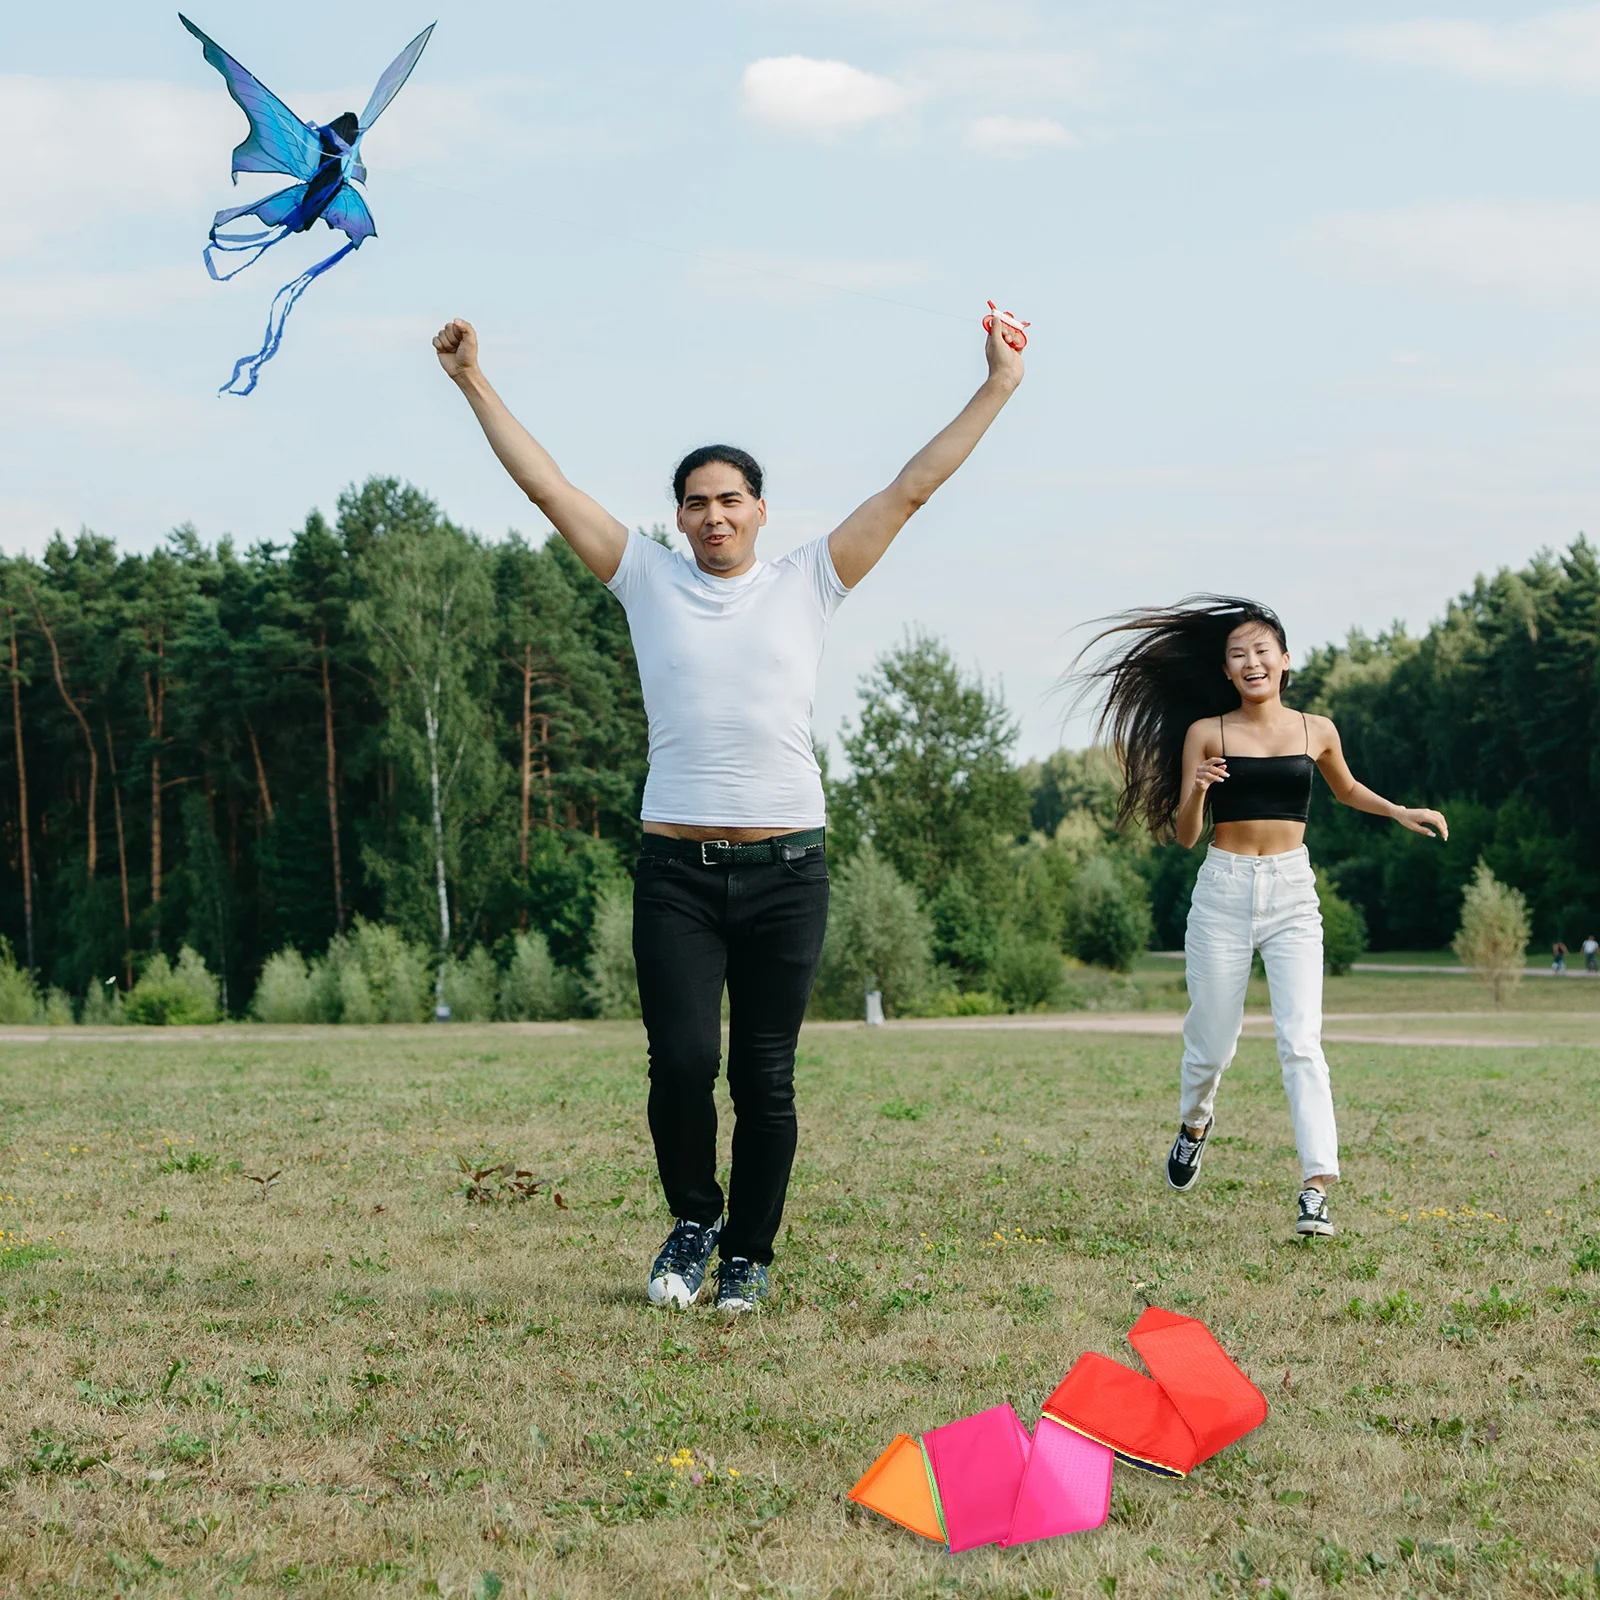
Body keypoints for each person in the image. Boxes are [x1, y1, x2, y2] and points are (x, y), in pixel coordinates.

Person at [433, 314, 1025, 1310]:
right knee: (681, 1062)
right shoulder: (642, 578)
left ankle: (747, 1253)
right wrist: (471, 380)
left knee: (762, 1077)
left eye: (731, 500)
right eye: (696, 503)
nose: (714, 516)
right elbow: (545, 486)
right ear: (676, 518)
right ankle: (694, 1217)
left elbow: (912, 487)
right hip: (674, 874)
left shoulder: (811, 579)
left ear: (759, 510)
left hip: (787, 870)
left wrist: (998, 386)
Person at [1081, 597, 1448, 1238]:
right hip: (1223, 892)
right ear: (1226, 672)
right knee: (1211, 1045)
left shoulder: (1316, 729)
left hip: (1292, 894)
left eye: (1261, 651)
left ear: (1284, 661)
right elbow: (1186, 836)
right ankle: (1195, 1123)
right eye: (1237, 655)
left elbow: (1347, 788)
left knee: (1302, 1042)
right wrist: (1195, 786)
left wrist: (1398, 811)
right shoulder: (1209, 730)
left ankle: (1316, 1188)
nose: (1251, 662)